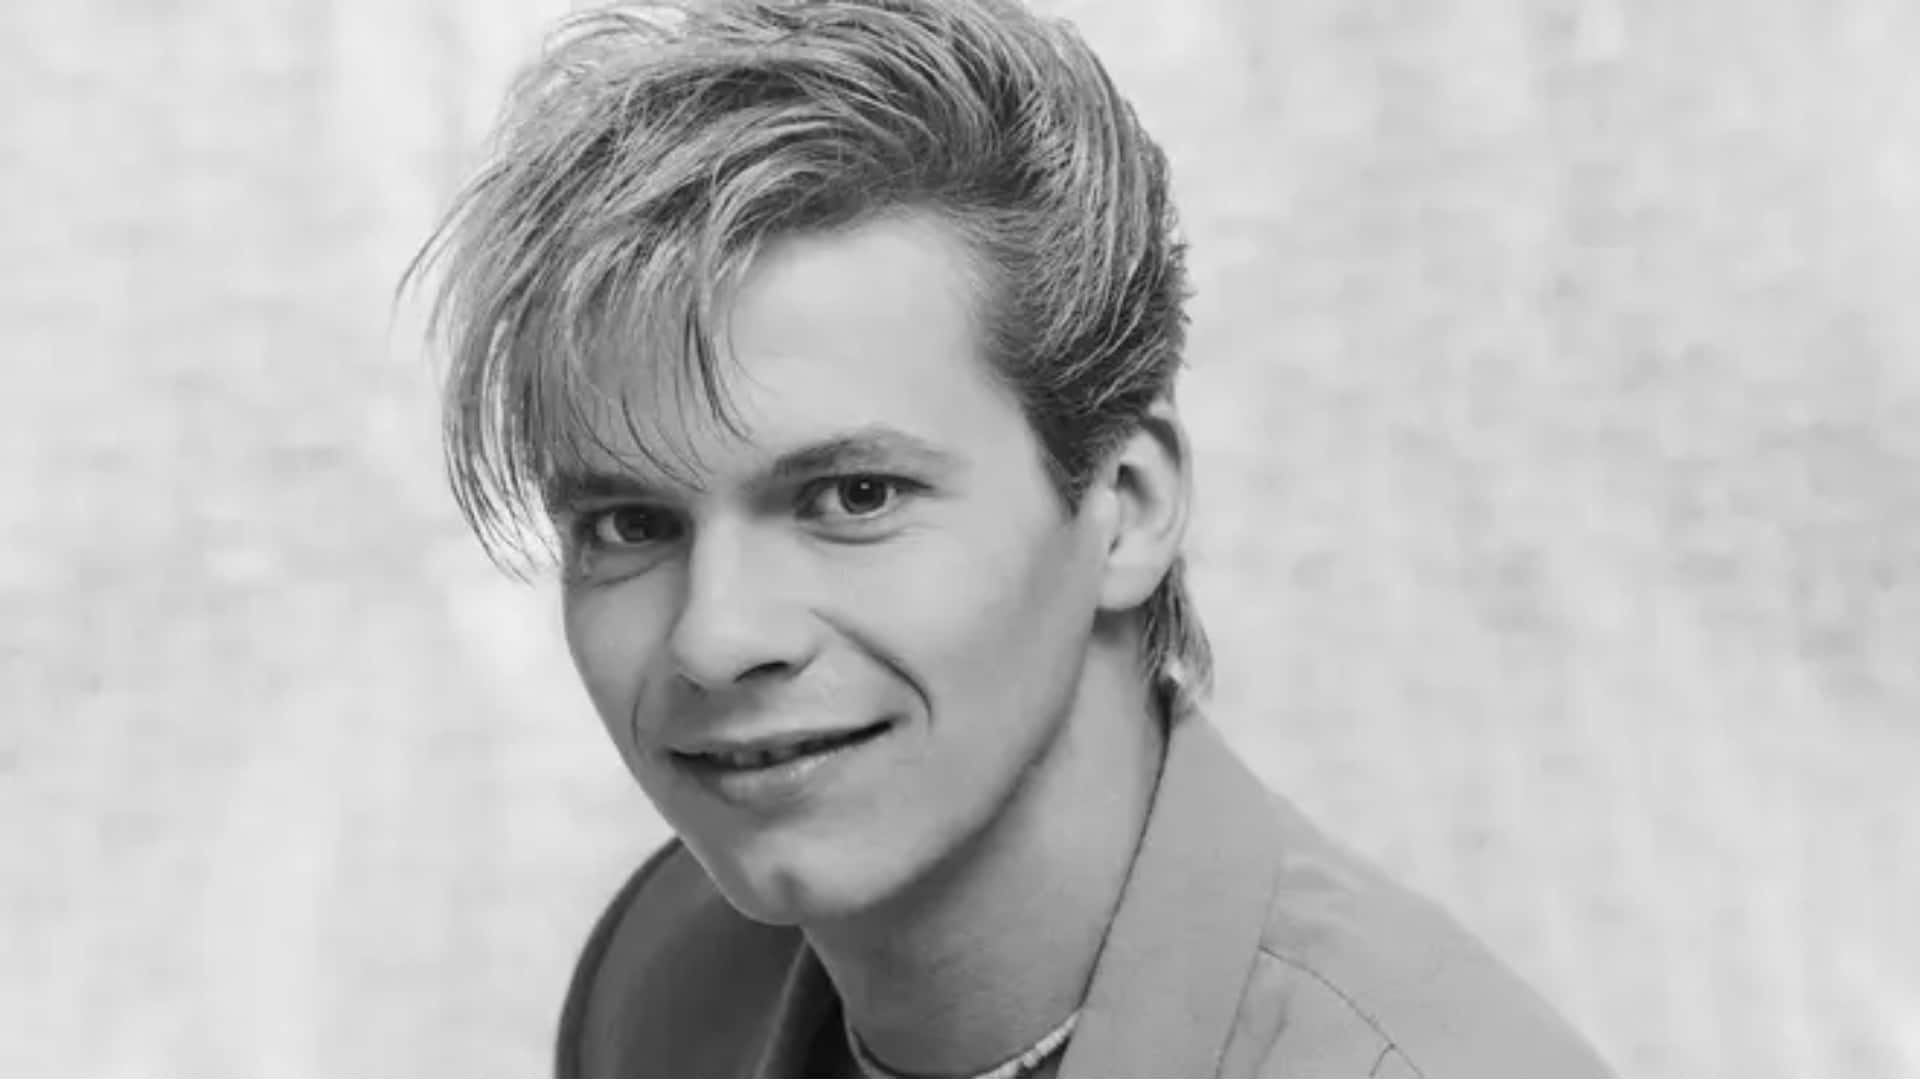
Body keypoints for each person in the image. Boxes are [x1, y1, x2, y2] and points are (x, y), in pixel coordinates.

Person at [408, 0, 1614, 1075]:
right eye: (631, 523)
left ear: (1128, 504)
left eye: (855, 496)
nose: (716, 637)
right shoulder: (662, 980)